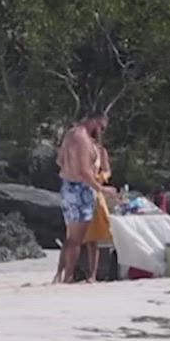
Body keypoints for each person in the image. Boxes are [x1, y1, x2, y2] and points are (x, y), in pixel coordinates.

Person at [54, 113, 114, 284]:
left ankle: (65, 275)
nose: (100, 131)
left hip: (67, 186)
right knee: (77, 239)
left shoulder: (71, 134)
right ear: (94, 122)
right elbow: (84, 172)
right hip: (81, 188)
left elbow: (60, 160)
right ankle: (68, 277)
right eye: (100, 127)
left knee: (72, 236)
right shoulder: (83, 139)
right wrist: (101, 188)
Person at [82, 138, 112, 283]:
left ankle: (92, 274)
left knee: (93, 238)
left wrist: (101, 177)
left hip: (94, 193)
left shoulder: (101, 151)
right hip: (79, 192)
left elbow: (107, 171)